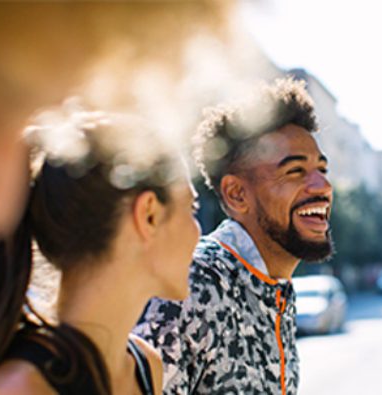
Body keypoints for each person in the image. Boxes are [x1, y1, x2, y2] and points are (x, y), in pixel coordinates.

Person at [135, 78, 334, 395]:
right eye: (295, 171)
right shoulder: (190, 287)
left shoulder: (276, 288)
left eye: (322, 169)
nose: (322, 187)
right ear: (237, 194)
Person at [0, 109, 202, 394]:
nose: (198, 232)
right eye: (191, 209)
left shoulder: (147, 365)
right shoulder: (22, 387)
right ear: (149, 214)